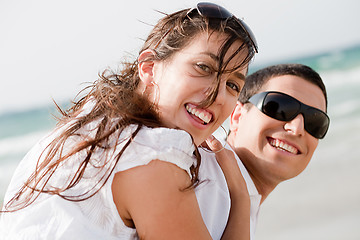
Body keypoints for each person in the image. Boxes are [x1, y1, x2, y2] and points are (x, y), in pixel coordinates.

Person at [0, 2, 258, 239]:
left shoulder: (86, 126)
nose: (218, 96)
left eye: (233, 85)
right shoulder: (151, 154)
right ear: (149, 67)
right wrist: (240, 197)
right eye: (203, 68)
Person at [196, 63, 330, 239]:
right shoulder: (204, 180)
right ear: (237, 116)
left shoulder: (237, 196)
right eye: (279, 107)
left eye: (315, 122)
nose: (297, 128)